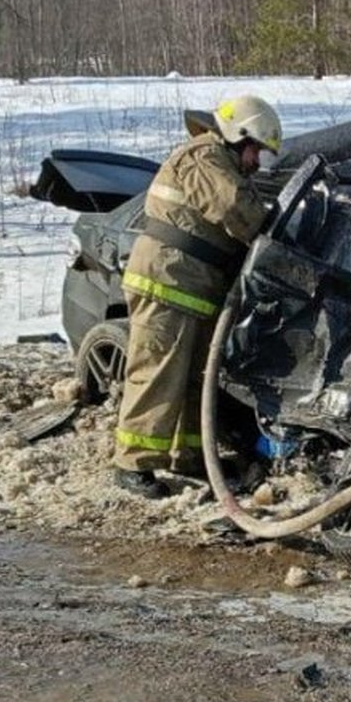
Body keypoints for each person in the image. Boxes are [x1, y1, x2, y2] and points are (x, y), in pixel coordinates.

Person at [111, 95, 282, 499]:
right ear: (240, 136)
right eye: (259, 152)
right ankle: (131, 463)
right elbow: (235, 209)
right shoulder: (203, 155)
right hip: (166, 280)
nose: (259, 165)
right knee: (156, 370)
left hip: (195, 287)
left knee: (193, 380)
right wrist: (276, 229)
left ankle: (186, 457)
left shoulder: (223, 161)